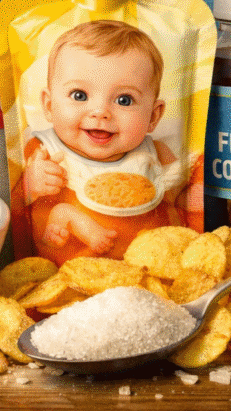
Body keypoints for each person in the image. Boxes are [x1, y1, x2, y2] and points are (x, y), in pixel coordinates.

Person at [19, 20, 202, 262]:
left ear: (153, 116)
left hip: (146, 266)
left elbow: (181, 194)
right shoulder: (44, 152)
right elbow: (15, 206)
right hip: (67, 268)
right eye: (79, 95)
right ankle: (71, 219)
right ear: (49, 106)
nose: (100, 112)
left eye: (124, 100)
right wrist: (30, 184)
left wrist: (193, 188)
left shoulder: (156, 152)